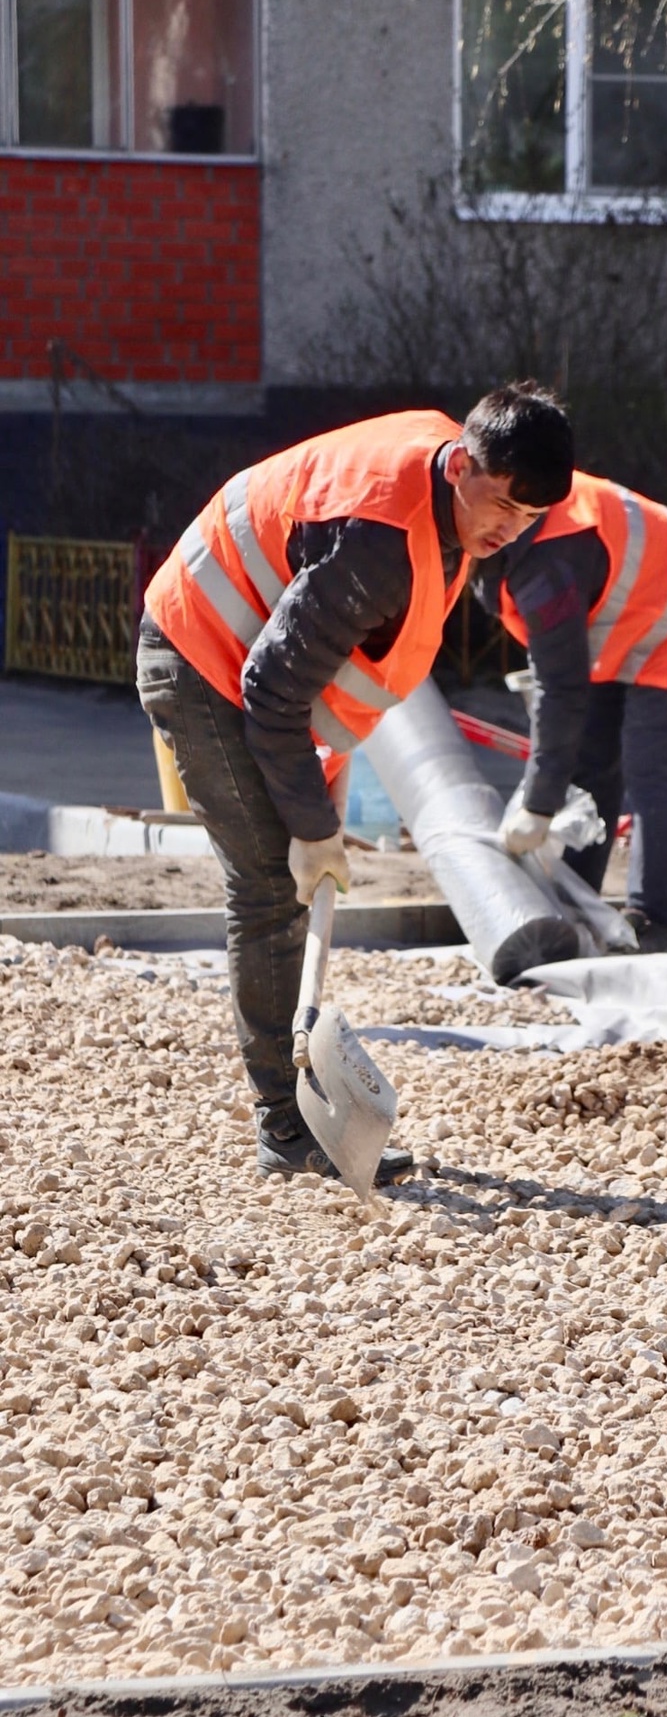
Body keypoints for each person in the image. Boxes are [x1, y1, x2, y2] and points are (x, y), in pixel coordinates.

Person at [137, 385, 574, 1176]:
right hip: (201, 657)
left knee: (284, 879)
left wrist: (321, 781)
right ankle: (286, 1131)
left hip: (248, 667)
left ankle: (293, 1109)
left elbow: (326, 674)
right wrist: (310, 828)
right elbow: (271, 691)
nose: (508, 528)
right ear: (463, 466)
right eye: (503, 503)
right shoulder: (377, 545)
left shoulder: (438, 492)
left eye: (529, 518)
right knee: (271, 886)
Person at [478, 470, 667, 952]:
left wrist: (538, 804)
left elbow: (559, 688)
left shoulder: (547, 563)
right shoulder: (510, 516)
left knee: (650, 768)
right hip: (621, 616)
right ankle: (577, 905)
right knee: (593, 763)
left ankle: (652, 919)